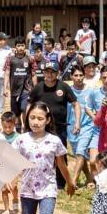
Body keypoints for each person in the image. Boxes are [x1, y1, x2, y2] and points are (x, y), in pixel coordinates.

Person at [15, 102, 73, 214]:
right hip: (27, 189)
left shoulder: (55, 141)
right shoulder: (21, 139)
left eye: (40, 118)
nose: (36, 122)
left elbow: (61, 164)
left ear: (48, 120)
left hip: (48, 189)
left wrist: (70, 182)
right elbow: (14, 163)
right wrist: (9, 180)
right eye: (32, 117)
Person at [28, 61, 80, 190]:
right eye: (47, 71)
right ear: (44, 72)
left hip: (60, 127)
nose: (50, 74)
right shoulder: (38, 87)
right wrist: (27, 121)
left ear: (58, 73)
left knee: (60, 155)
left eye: (53, 72)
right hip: (41, 128)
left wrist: (77, 122)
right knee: (40, 153)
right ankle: (39, 177)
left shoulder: (63, 87)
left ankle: (61, 182)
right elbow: (29, 104)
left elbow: (76, 104)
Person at [66, 66, 96, 189]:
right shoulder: (68, 91)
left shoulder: (91, 91)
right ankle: (90, 179)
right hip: (71, 128)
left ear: (84, 76)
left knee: (80, 153)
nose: (78, 78)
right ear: (71, 77)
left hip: (87, 126)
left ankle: (73, 181)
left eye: (81, 75)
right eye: (76, 75)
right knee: (80, 154)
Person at [4, 38, 32, 132]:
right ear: (15, 47)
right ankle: (19, 132)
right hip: (14, 91)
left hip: (26, 90)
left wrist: (35, 89)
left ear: (25, 46)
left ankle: (27, 130)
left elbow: (34, 74)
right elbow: (7, 73)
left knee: (25, 109)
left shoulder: (30, 59)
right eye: (18, 46)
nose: (20, 48)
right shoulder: (10, 59)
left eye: (22, 45)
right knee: (16, 114)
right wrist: (5, 88)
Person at [0, 112, 20, 214]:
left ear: (14, 124)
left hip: (14, 167)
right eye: (5, 127)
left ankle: (15, 202)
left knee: (13, 187)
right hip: (2, 167)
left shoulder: (18, 137)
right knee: (3, 189)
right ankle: (6, 209)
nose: (7, 129)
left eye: (9, 127)